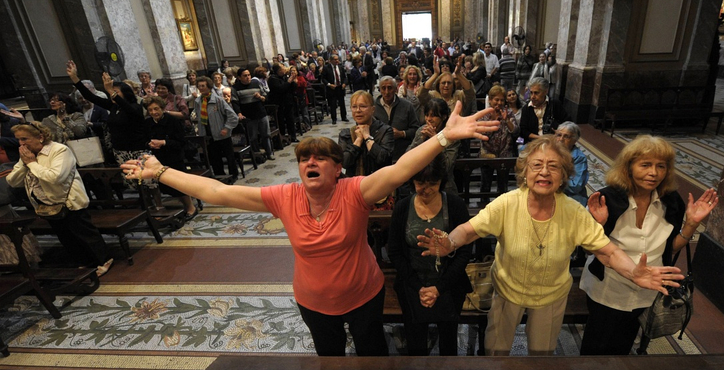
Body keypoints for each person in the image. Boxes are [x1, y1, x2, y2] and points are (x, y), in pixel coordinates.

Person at [121, 100, 501, 357]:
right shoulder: (284, 197)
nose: (311, 162)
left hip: (364, 295)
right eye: (305, 158)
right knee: (331, 358)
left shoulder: (354, 190)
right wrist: (162, 172)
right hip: (315, 303)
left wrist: (445, 136)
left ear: (338, 168)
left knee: (371, 357)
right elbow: (218, 191)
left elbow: (400, 169)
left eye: (321, 157)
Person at [417, 135, 685, 356]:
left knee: (542, 356)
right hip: (507, 291)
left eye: (554, 166)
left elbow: (608, 250)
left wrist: (632, 272)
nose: (544, 172)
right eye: (537, 165)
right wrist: (449, 243)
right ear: (524, 172)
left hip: (550, 296)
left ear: (563, 175)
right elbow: (468, 230)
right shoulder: (507, 203)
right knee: (495, 353)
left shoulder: (574, 212)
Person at [579, 135, 718, 355]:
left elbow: (670, 249)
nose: (653, 173)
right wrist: (599, 225)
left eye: (660, 166)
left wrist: (691, 224)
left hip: (647, 289)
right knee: (596, 347)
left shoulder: (671, 201)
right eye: (645, 165)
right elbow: (588, 250)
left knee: (623, 347)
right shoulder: (606, 199)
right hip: (609, 288)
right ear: (629, 167)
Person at [387, 154, 472, 356]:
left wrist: (438, 288)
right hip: (413, 284)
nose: (425, 189)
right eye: (419, 183)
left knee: (448, 343)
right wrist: (420, 288)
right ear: (412, 181)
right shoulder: (402, 207)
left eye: (432, 183)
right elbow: (395, 252)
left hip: (449, 284)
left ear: (441, 180)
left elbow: (465, 251)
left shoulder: (455, 205)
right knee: (415, 344)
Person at [7, 122, 113, 276]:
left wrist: (32, 164)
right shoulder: (27, 155)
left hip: (69, 202)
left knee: (85, 234)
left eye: (25, 139)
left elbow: (55, 177)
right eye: (18, 140)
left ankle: (103, 260)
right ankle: (84, 261)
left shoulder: (59, 150)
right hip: (47, 205)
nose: (21, 144)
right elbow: (12, 181)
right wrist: (25, 164)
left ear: (40, 137)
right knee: (66, 237)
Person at [67, 61, 150, 167]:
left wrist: (110, 90)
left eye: (116, 92)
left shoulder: (135, 106)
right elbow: (91, 97)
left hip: (137, 150)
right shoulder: (113, 106)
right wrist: (75, 78)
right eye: (111, 92)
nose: (112, 94)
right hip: (120, 151)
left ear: (125, 93)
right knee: (129, 181)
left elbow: (128, 109)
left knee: (145, 181)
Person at [143, 96, 197, 219]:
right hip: (158, 159)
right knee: (167, 186)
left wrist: (164, 142)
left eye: (156, 109)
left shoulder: (172, 121)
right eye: (150, 110)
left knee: (180, 184)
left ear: (162, 108)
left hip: (174, 157)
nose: (153, 112)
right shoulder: (148, 123)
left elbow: (181, 142)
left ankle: (190, 208)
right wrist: (149, 144)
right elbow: (144, 140)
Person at [407, 98, 459, 195]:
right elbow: (407, 156)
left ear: (443, 117)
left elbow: (447, 164)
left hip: (444, 186)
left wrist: (436, 140)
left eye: (433, 115)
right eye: (427, 115)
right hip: (421, 183)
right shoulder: (421, 131)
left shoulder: (452, 135)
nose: (429, 119)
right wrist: (421, 139)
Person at [338, 91, 394, 178]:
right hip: (354, 185)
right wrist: (358, 140)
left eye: (363, 106)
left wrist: (367, 137)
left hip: (379, 182)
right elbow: (344, 163)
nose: (358, 110)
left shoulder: (385, 130)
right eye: (354, 107)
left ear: (372, 109)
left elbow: (383, 159)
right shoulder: (346, 134)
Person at [193, 76, 239, 179]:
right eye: (199, 86)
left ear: (209, 87)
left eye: (203, 86)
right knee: (214, 157)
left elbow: (233, 116)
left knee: (229, 156)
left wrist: (226, 128)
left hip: (221, 133)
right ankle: (220, 175)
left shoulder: (218, 100)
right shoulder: (198, 101)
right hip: (208, 135)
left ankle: (233, 175)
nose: (201, 88)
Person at [478, 86, 518, 203]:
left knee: (503, 186)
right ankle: (484, 205)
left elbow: (515, 131)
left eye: (501, 100)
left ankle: (502, 207)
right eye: (496, 100)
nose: (499, 103)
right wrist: (492, 121)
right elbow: (482, 135)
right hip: (487, 154)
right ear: (490, 100)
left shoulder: (509, 113)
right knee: (485, 184)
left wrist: (506, 121)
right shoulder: (484, 114)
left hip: (505, 153)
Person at [373, 76, 420, 163]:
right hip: (379, 156)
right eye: (383, 88)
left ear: (395, 89)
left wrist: (402, 133)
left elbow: (416, 129)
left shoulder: (407, 106)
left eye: (390, 88)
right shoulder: (373, 108)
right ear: (380, 90)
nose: (387, 92)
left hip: (402, 155)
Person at [234, 67, 276, 156]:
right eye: (245, 76)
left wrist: (260, 97)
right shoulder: (236, 88)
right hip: (248, 115)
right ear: (239, 77)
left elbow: (265, 96)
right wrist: (239, 113)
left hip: (261, 112)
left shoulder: (256, 83)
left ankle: (269, 153)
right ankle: (257, 154)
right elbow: (235, 102)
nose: (248, 77)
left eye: (249, 75)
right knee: (252, 137)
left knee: (266, 134)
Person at [519, 77, 569, 143]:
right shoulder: (526, 108)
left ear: (545, 92)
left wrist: (560, 132)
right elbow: (523, 131)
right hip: (533, 143)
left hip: (553, 142)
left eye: (536, 93)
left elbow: (568, 122)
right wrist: (540, 138)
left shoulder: (555, 104)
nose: (532, 97)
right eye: (531, 93)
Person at [555, 122, 588, 206]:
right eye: (559, 135)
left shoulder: (579, 158)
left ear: (574, 140)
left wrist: (554, 180)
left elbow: (575, 186)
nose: (561, 139)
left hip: (571, 196)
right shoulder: (551, 151)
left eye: (566, 136)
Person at [268, 64, 299, 143]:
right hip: (279, 103)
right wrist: (289, 82)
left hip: (288, 102)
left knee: (290, 120)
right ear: (279, 70)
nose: (285, 69)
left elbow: (292, 89)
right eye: (283, 68)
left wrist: (294, 82)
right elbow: (280, 89)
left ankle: (292, 136)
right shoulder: (272, 79)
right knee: (281, 120)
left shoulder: (285, 77)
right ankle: (282, 137)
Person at [322, 54, 349, 125]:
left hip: (340, 87)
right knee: (333, 104)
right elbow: (323, 78)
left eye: (337, 59)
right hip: (332, 88)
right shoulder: (326, 68)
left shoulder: (340, 67)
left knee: (342, 103)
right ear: (331, 61)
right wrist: (329, 84)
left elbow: (345, 77)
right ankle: (334, 118)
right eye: (335, 59)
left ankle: (344, 117)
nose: (337, 61)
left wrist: (344, 83)